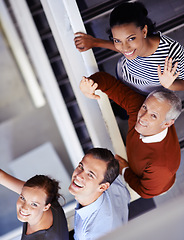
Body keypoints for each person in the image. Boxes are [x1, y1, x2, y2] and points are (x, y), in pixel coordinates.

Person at [79, 71, 182, 199]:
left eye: (153, 116)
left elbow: (146, 192)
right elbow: (111, 84)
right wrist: (91, 84)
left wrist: (125, 170)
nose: (142, 117)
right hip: (137, 155)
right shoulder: (139, 107)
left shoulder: (161, 167)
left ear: (167, 124)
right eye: (145, 107)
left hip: (156, 184)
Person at [74, 1, 184, 95]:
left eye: (131, 38)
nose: (125, 48)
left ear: (144, 31)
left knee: (122, 114)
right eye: (117, 40)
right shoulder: (131, 47)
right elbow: (125, 49)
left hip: (143, 96)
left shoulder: (173, 53)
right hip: (121, 77)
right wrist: (95, 42)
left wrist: (169, 84)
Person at [69, 147, 130, 240]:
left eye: (90, 175)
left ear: (103, 187)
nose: (78, 175)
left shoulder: (93, 234)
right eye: (81, 166)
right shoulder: (110, 178)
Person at [0, 171, 69, 240]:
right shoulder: (44, 197)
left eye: (34, 204)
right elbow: (1, 176)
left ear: (46, 207)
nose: (24, 208)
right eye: (23, 198)